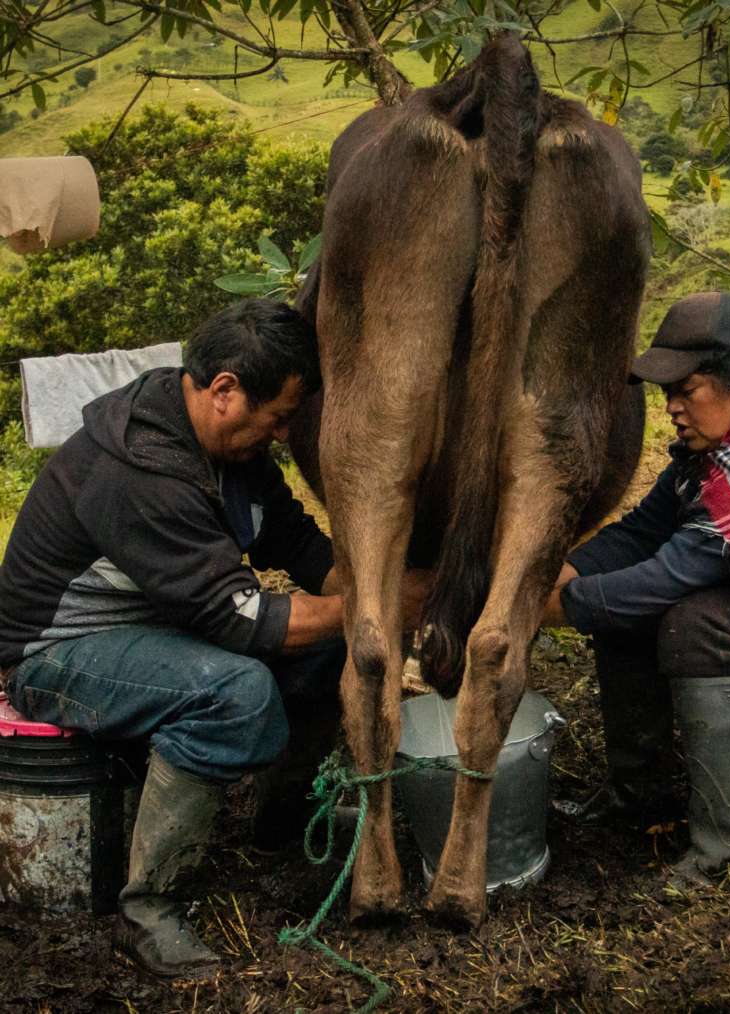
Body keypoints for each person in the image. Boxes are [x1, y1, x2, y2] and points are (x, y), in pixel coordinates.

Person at [0, 298, 429, 980]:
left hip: (155, 625)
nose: (283, 435)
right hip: (56, 654)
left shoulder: (229, 448)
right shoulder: (140, 467)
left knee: (327, 645)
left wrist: (376, 581)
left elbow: (298, 543)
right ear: (225, 389)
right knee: (235, 693)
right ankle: (147, 909)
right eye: (279, 418)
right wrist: (380, 608)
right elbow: (241, 621)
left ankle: (280, 826)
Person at [539, 291, 730, 890]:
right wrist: (560, 572)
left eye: (686, 391)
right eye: (667, 394)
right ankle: (639, 795)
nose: (672, 410)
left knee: (696, 623)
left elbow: (667, 575)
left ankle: (721, 847)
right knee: (625, 605)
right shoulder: (713, 451)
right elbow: (642, 531)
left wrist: (550, 607)